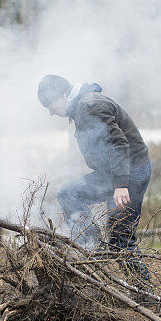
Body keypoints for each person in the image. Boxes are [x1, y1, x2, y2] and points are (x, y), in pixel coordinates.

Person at [37, 74, 151, 284]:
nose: (51, 112)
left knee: (121, 241)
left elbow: (118, 144)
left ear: (63, 95)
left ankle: (145, 292)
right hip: (116, 174)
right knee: (69, 194)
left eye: (50, 105)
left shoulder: (89, 106)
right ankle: (93, 248)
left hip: (129, 176)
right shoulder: (81, 106)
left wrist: (120, 185)